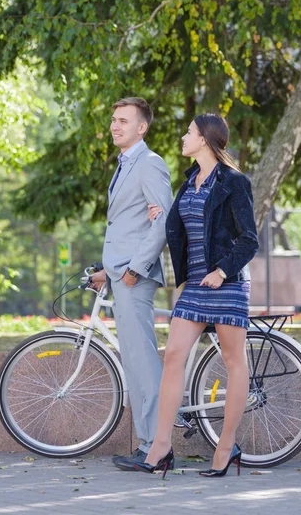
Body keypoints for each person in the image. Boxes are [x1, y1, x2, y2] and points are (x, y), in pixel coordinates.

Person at [132, 113, 259, 478]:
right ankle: (160, 447)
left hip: (227, 282)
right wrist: (163, 215)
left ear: (204, 139)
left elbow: (249, 239)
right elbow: (182, 225)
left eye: (188, 132)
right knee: (173, 354)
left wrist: (222, 271)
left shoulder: (234, 182)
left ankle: (225, 448)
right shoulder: (189, 183)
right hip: (196, 285)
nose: (182, 137)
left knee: (234, 362)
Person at [90, 97, 173, 471]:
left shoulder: (150, 164)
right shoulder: (124, 165)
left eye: (123, 120)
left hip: (135, 279)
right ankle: (147, 443)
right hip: (121, 275)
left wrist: (134, 270)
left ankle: (159, 448)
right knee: (136, 364)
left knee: (143, 361)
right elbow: (130, 226)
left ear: (142, 128)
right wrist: (109, 271)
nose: (114, 125)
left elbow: (162, 222)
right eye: (113, 119)